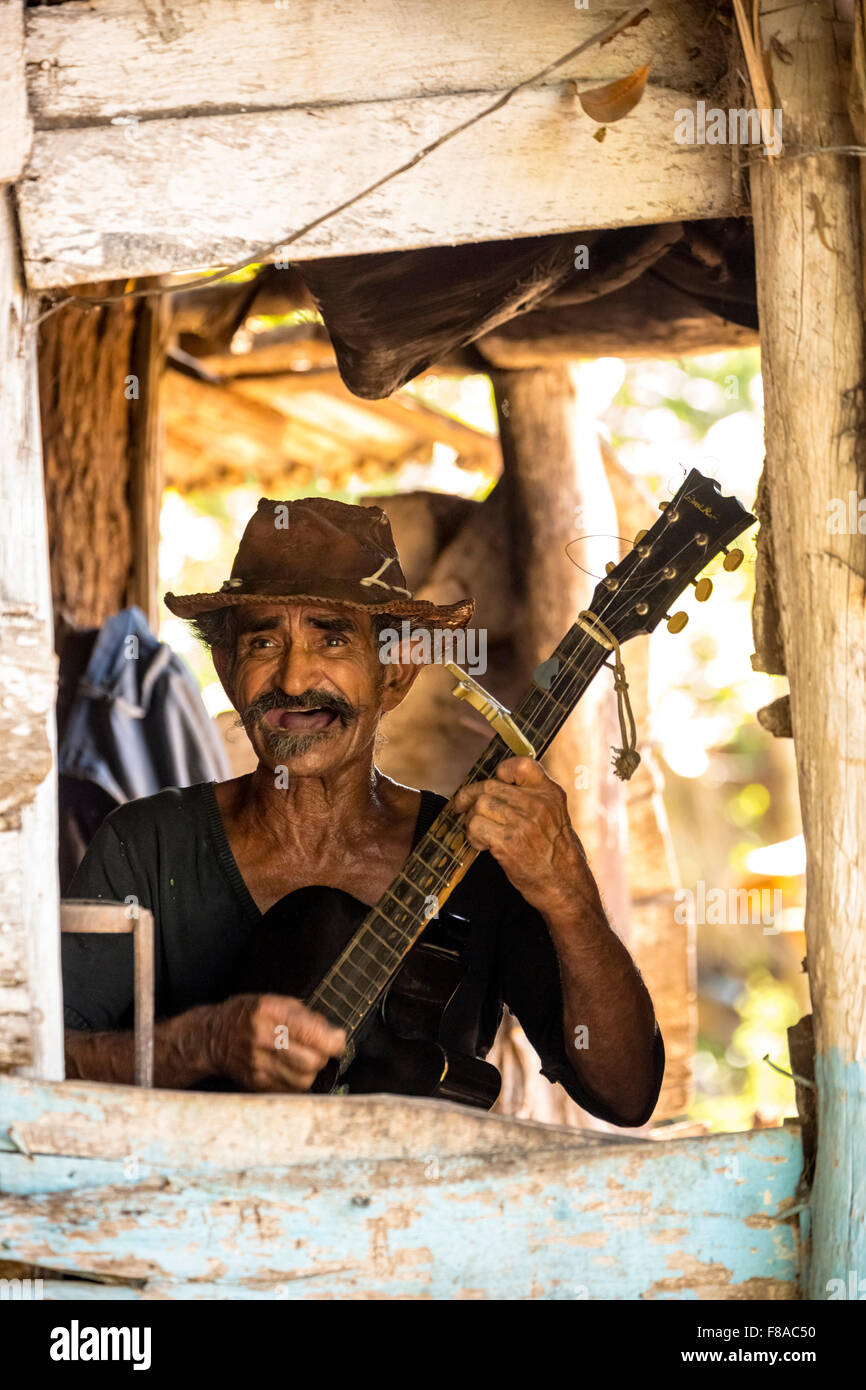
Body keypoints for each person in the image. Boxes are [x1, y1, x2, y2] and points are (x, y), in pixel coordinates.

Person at [63, 497, 664, 1125]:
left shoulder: (480, 857)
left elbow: (626, 1092)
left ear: (397, 673)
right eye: (264, 640)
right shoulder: (145, 844)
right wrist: (201, 1043)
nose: (294, 680)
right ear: (227, 667)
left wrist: (567, 889)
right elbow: (40, 1063)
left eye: (332, 638)